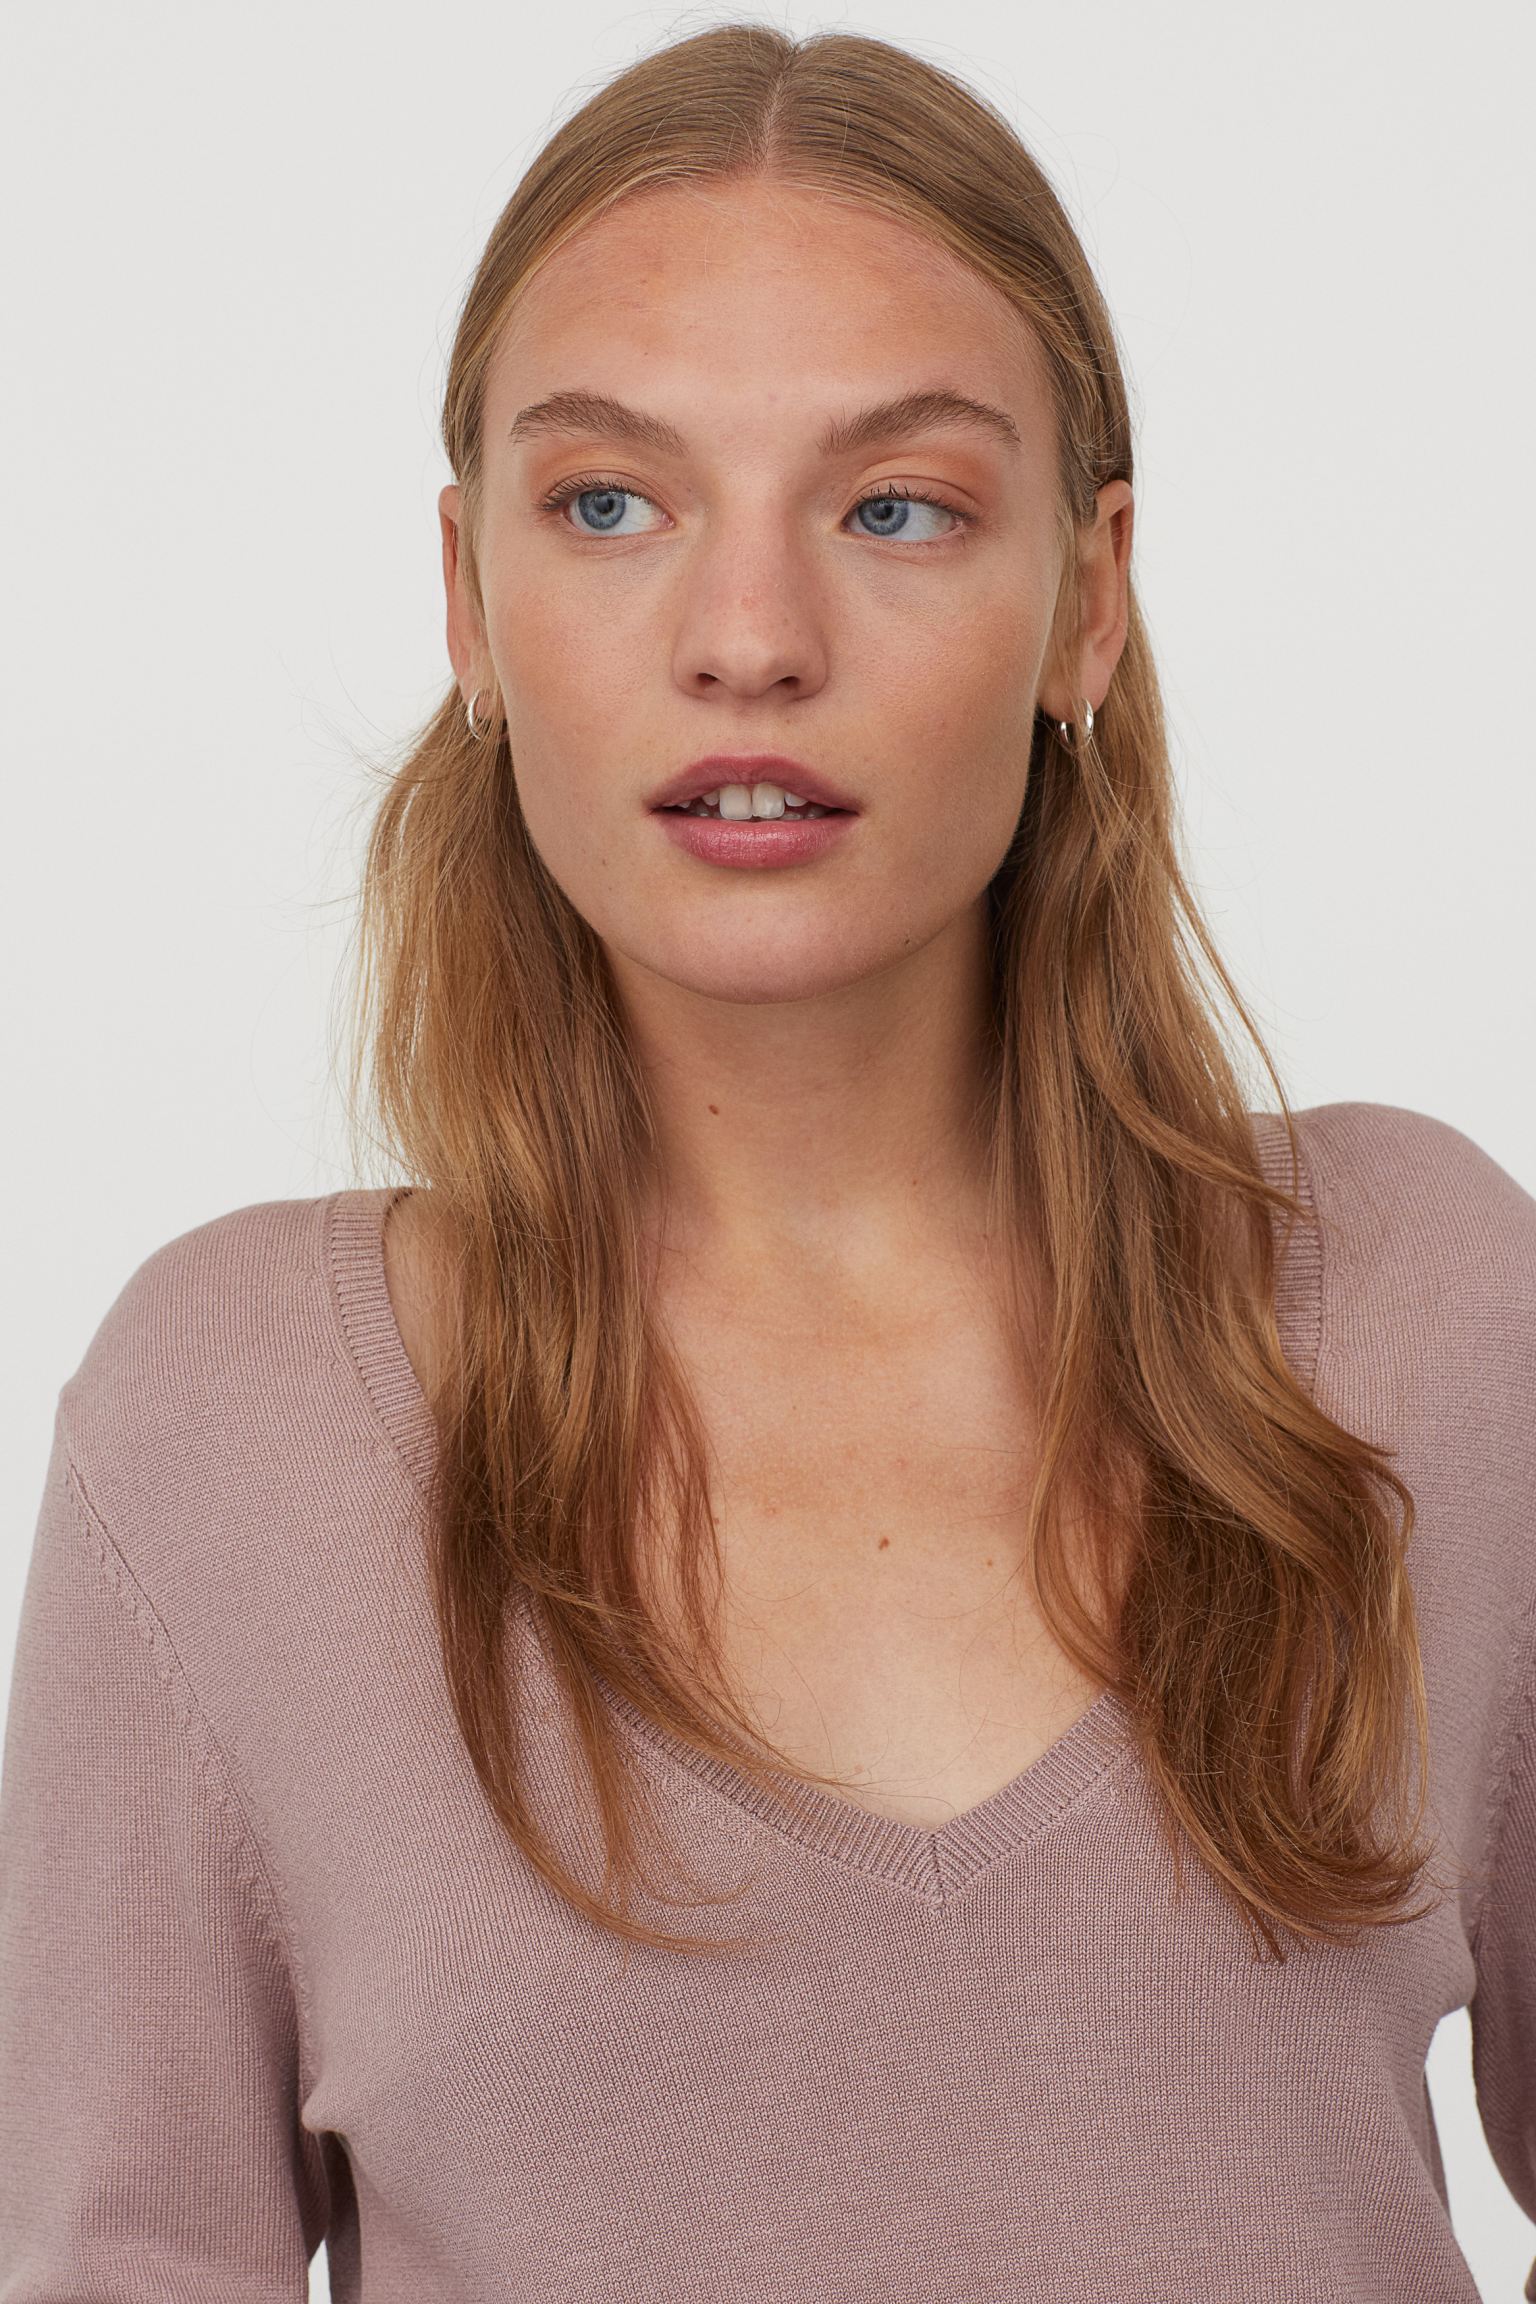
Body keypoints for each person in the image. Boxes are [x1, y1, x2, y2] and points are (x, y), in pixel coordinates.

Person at [3, 23, 1533, 2301]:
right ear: (466, 597)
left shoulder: (1428, 1312)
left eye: (895, 506)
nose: (748, 642)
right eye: (610, 504)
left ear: (1088, 596)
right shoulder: (232, 1424)